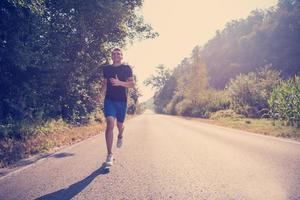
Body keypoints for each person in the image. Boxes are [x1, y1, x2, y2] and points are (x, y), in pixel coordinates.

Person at [101, 48, 135, 166]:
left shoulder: (126, 68)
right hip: (109, 100)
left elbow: (132, 84)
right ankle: (109, 155)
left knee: (120, 125)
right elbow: (105, 83)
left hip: (122, 101)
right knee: (110, 124)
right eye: (114, 54)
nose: (116, 55)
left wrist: (119, 83)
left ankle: (120, 135)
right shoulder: (107, 69)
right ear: (111, 56)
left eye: (118, 54)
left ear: (121, 56)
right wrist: (100, 95)